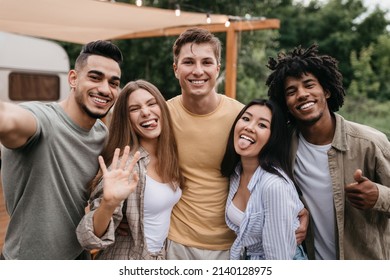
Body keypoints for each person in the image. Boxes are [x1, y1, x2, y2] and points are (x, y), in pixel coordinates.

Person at [166, 28, 308, 260]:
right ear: (176, 69)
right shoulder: (162, 115)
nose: (198, 70)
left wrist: (298, 210)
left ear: (217, 69)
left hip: (231, 244)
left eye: (206, 62)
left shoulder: (240, 118)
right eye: (188, 62)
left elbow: (268, 167)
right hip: (177, 241)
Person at [0, 40, 123, 260]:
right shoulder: (43, 120)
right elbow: (8, 119)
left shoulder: (102, 136)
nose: (105, 89)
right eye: (95, 77)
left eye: (113, 83)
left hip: (79, 256)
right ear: (73, 79)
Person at [266, 44, 390, 260]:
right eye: (291, 91)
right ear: (285, 103)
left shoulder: (370, 143)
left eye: (309, 85)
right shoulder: (283, 147)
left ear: (327, 90)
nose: (302, 94)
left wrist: (379, 196)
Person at [76, 80, 184, 260]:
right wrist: (108, 204)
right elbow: (88, 238)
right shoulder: (124, 165)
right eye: (134, 109)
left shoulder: (170, 155)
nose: (146, 112)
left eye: (151, 103)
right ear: (126, 119)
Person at [221, 99, 307, 260]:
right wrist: (303, 214)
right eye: (246, 119)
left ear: (273, 137)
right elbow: (295, 209)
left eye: (262, 125)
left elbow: (279, 258)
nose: (249, 127)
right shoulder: (236, 173)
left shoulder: (274, 185)